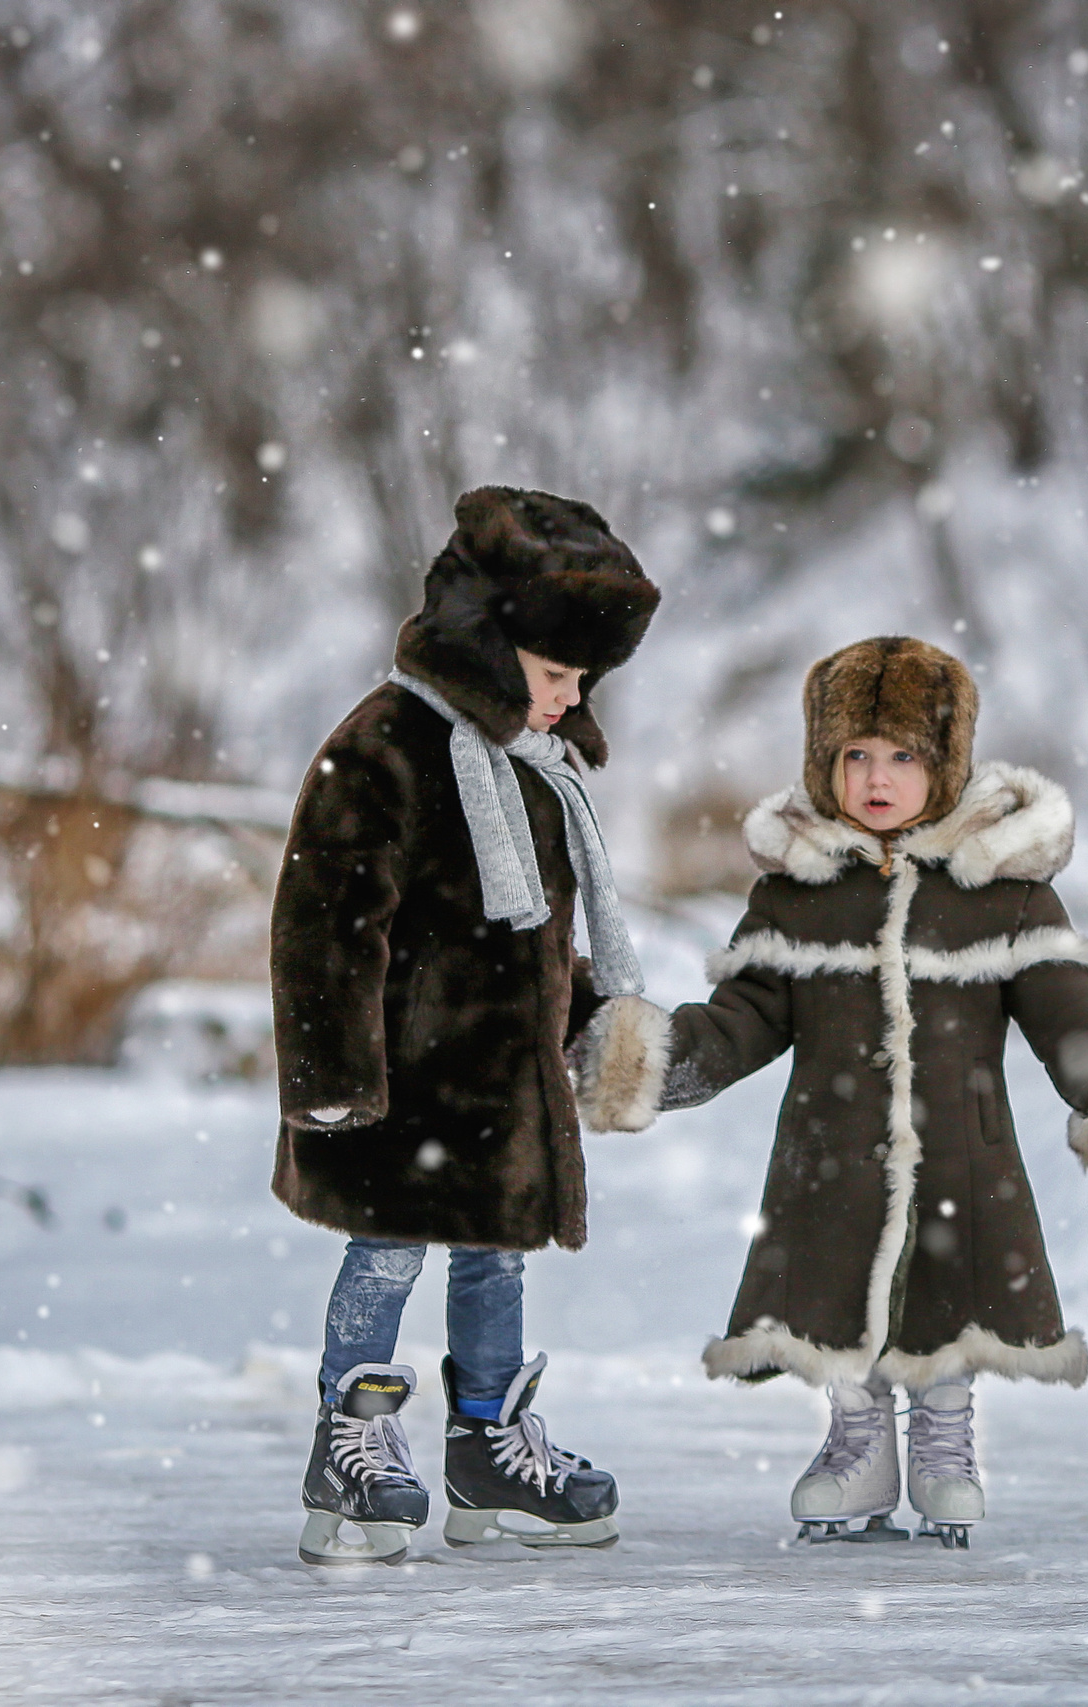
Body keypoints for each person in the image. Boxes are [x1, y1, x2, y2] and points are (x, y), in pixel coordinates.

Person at [569, 635, 1088, 1546]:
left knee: (953, 1288)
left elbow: (1066, 1007)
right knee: (835, 1289)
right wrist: (643, 1059)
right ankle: (858, 1441)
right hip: (833, 1149)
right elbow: (741, 1020)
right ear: (823, 763)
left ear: (945, 764)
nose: (875, 776)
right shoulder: (797, 893)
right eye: (854, 755)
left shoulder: (999, 889)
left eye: (902, 755)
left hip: (961, 1147)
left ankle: (944, 1440)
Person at [270, 486, 658, 1563]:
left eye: (582, 679)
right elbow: (323, 921)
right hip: (400, 1076)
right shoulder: (386, 744)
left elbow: (529, 939)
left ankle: (488, 1442)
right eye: (552, 675)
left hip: (498, 1082)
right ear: (489, 647)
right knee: (387, 1249)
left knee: (495, 1259)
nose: (568, 698)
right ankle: (351, 1439)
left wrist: (591, 1018)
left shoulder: (539, 773)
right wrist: (334, 1072)